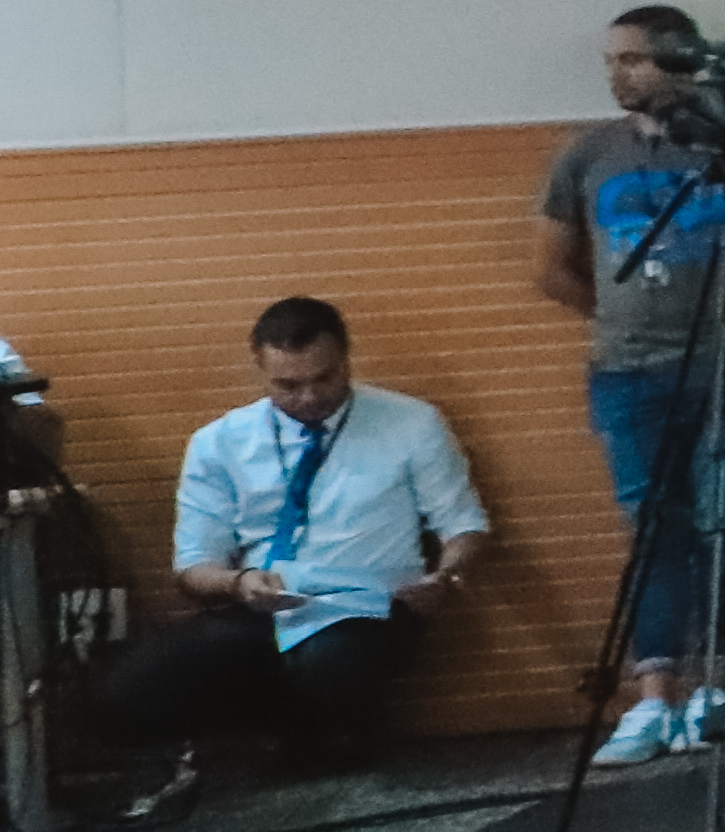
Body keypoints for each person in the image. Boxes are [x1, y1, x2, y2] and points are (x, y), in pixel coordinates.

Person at [96, 297, 487, 797]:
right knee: (125, 694)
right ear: (260, 368)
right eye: (288, 385)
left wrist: (446, 578)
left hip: (368, 608)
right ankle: (293, 729)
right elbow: (193, 567)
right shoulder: (219, 443)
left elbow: (463, 525)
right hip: (264, 607)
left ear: (346, 359)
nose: (309, 397)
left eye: (324, 378)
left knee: (329, 659)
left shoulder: (411, 423)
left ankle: (334, 732)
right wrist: (239, 583)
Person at [536, 4, 725, 757]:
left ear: (679, 60)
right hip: (628, 374)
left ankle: (721, 687)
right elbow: (551, 269)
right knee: (654, 528)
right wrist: (625, 320)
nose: (617, 75)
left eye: (633, 59)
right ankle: (656, 699)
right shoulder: (589, 153)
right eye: (611, 61)